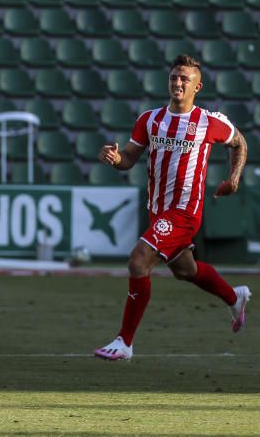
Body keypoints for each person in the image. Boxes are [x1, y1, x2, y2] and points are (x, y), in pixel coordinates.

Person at [93, 55, 250, 362]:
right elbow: (127, 160)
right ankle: (235, 297)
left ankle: (125, 342)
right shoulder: (150, 120)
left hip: (184, 213)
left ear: (197, 86)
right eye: (174, 77)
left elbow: (239, 143)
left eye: (185, 79)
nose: (178, 83)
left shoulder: (209, 122)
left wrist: (234, 179)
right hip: (158, 210)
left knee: (138, 261)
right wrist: (114, 159)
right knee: (185, 270)